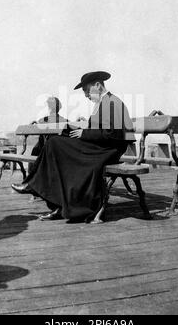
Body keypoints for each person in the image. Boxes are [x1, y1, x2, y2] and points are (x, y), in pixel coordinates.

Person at [12, 71, 135, 223]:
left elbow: (113, 134)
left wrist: (84, 133)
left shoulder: (112, 102)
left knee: (55, 144)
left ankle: (34, 186)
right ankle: (54, 202)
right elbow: (102, 131)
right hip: (99, 147)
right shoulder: (104, 102)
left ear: (98, 85)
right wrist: (74, 131)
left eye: (86, 90)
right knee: (55, 142)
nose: (85, 95)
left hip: (106, 151)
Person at [28, 97, 68, 174]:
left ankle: (31, 176)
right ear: (59, 108)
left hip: (42, 148)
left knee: (35, 149)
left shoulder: (42, 120)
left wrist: (33, 123)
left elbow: (32, 128)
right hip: (57, 149)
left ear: (49, 107)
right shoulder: (64, 120)